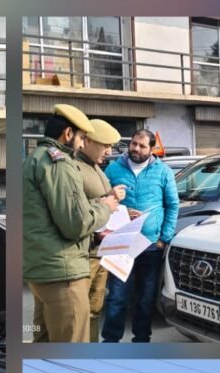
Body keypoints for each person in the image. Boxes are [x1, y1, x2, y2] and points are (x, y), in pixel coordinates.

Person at [23, 104, 119, 343]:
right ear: (68, 134)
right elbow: (75, 224)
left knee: (43, 341)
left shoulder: (36, 157)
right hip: (63, 273)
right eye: (82, 137)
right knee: (72, 347)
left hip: (45, 269)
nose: (81, 144)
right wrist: (106, 207)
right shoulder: (59, 163)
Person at [102, 130, 179, 343]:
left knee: (145, 299)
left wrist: (164, 238)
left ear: (152, 149)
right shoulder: (114, 168)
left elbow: (172, 205)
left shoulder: (163, 172)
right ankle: (110, 342)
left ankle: (141, 341)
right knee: (117, 297)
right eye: (134, 143)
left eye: (142, 146)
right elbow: (102, 200)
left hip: (151, 245)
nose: (136, 148)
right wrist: (121, 211)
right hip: (121, 243)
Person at [73, 119, 125, 342]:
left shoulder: (97, 168)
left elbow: (99, 201)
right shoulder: (72, 167)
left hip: (102, 251)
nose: (109, 151)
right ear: (88, 140)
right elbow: (76, 212)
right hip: (85, 252)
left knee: (95, 309)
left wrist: (115, 200)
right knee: (79, 315)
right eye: (106, 145)